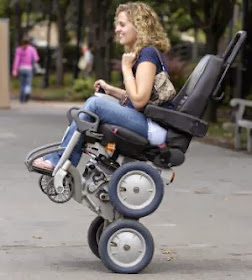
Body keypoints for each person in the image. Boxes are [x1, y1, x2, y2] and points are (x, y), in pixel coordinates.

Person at [33, 1, 173, 171]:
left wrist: (126, 68)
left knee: (95, 105)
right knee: (98, 99)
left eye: (122, 24)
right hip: (147, 120)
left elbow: (139, 101)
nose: (117, 30)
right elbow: (138, 96)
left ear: (139, 26)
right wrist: (110, 90)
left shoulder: (148, 54)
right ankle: (72, 159)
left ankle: (61, 161)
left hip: (153, 127)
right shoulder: (143, 54)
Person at [12, 36, 40, 103]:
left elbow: (16, 60)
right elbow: (36, 58)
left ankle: (22, 99)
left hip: (21, 68)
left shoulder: (19, 49)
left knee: (22, 84)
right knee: (28, 83)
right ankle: (27, 92)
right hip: (29, 68)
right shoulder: (32, 49)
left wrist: (14, 70)